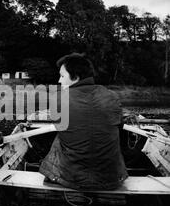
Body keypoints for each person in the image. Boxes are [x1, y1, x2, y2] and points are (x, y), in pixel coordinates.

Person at [39, 53, 128, 190]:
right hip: (111, 178)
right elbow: (120, 126)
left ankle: (56, 177)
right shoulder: (112, 96)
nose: (59, 81)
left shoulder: (58, 98)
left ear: (76, 77)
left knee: (60, 135)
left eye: (62, 76)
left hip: (72, 179)